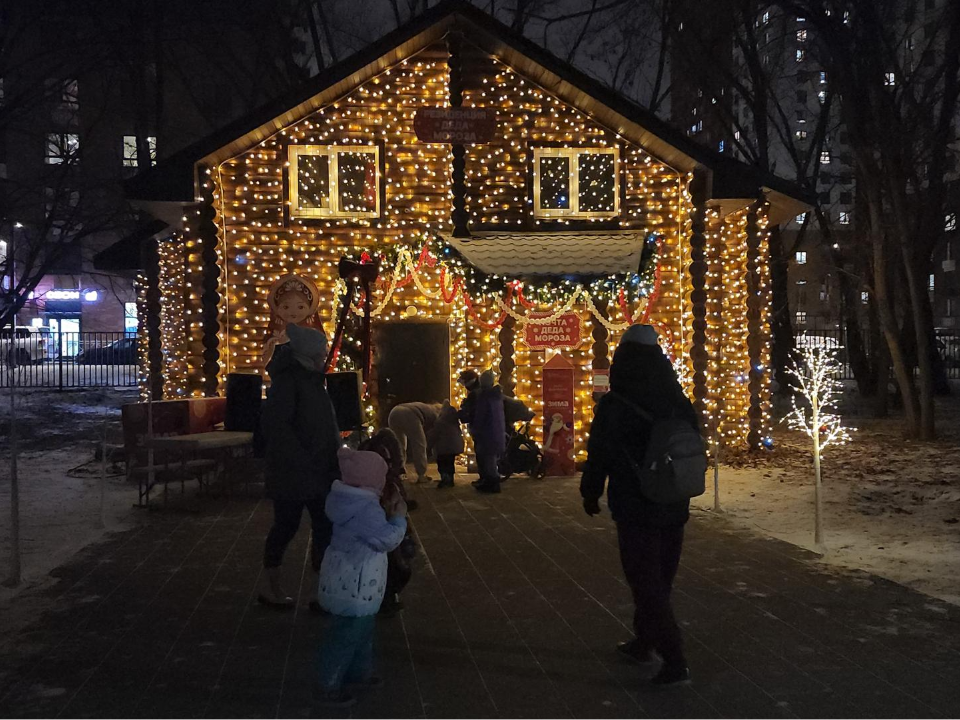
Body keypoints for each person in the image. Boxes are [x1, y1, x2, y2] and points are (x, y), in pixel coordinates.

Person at [580, 324, 698, 687]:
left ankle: (674, 660)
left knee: (645, 581)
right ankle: (644, 642)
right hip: (674, 500)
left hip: (636, 504)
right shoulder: (677, 399)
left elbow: (600, 453)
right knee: (660, 578)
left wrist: (590, 492)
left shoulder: (616, 404)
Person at [315, 446, 407, 708]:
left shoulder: (346, 500)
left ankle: (358, 672)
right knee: (346, 635)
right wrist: (399, 519)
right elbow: (385, 539)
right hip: (356, 582)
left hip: (350, 578)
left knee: (361, 630)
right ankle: (328, 684)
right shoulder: (364, 508)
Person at [259, 322, 341, 608]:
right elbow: (278, 427)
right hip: (296, 470)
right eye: (321, 351)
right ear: (308, 353)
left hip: (318, 467)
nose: (325, 355)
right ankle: (272, 586)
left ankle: (321, 589)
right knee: (286, 525)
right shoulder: (290, 382)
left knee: (324, 526)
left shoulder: (311, 380)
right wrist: (304, 459)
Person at [360, 428, 415, 615]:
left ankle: (385, 595)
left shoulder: (366, 485)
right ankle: (385, 598)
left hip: (378, 541)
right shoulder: (382, 487)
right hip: (383, 540)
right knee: (394, 567)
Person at [465, 369, 506, 494]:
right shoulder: (496, 396)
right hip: (496, 431)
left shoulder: (484, 397)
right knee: (491, 459)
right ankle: (490, 482)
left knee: (488, 460)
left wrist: (475, 429)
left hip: (486, 433)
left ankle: (492, 483)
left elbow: (480, 416)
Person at [387, 402, 441, 483]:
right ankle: (421, 474)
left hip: (394, 412)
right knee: (419, 444)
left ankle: (399, 472)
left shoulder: (426, 407)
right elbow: (433, 433)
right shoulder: (435, 413)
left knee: (399, 446)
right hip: (409, 414)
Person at [430, 400, 465, 489]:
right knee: (450, 463)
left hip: (443, 448)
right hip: (453, 448)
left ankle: (445, 479)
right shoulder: (455, 423)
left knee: (442, 464)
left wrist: (429, 445)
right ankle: (450, 479)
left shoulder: (440, 422)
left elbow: (434, 434)